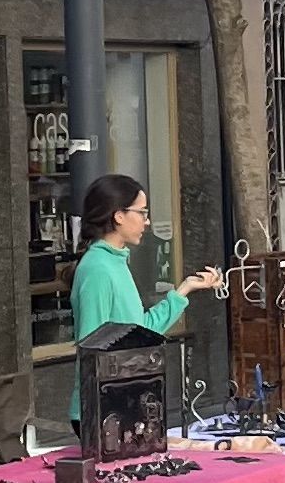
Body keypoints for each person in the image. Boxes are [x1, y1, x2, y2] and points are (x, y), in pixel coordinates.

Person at [66, 172, 225, 433]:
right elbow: (92, 346)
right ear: (118, 216)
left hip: (124, 401)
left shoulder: (115, 262)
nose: (147, 221)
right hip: (104, 407)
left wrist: (184, 290)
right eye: (142, 212)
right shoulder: (97, 268)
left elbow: (140, 330)